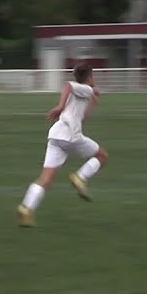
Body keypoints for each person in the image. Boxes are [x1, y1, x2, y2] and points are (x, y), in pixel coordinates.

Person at [17, 63, 108, 227]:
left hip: (56, 136)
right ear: (88, 77)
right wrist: (60, 107)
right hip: (71, 137)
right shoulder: (84, 88)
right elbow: (68, 86)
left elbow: (83, 117)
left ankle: (26, 209)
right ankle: (80, 177)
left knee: (46, 179)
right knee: (102, 156)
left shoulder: (84, 92)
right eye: (92, 75)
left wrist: (95, 101)